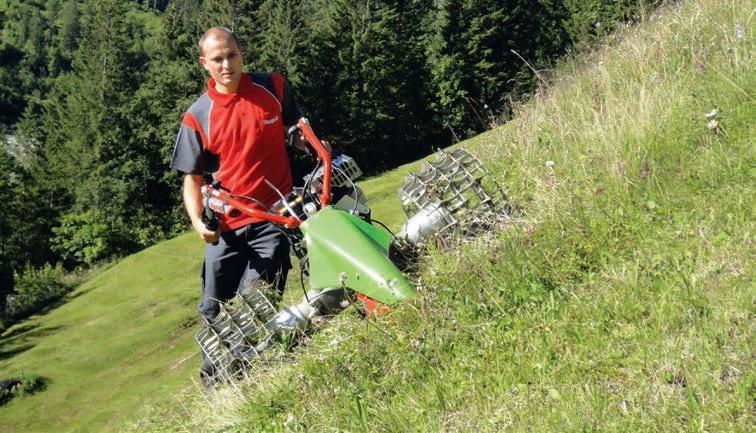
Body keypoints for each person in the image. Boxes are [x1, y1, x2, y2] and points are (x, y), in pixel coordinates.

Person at [169, 27, 322, 383]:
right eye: (217, 59)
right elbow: (191, 179)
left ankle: (249, 373)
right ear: (204, 63)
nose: (227, 65)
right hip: (226, 225)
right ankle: (215, 384)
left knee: (256, 298)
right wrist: (197, 221)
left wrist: (310, 144)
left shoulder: (273, 87)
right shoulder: (198, 117)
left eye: (232, 55)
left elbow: (293, 129)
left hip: (275, 215)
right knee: (213, 308)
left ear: (241, 53)